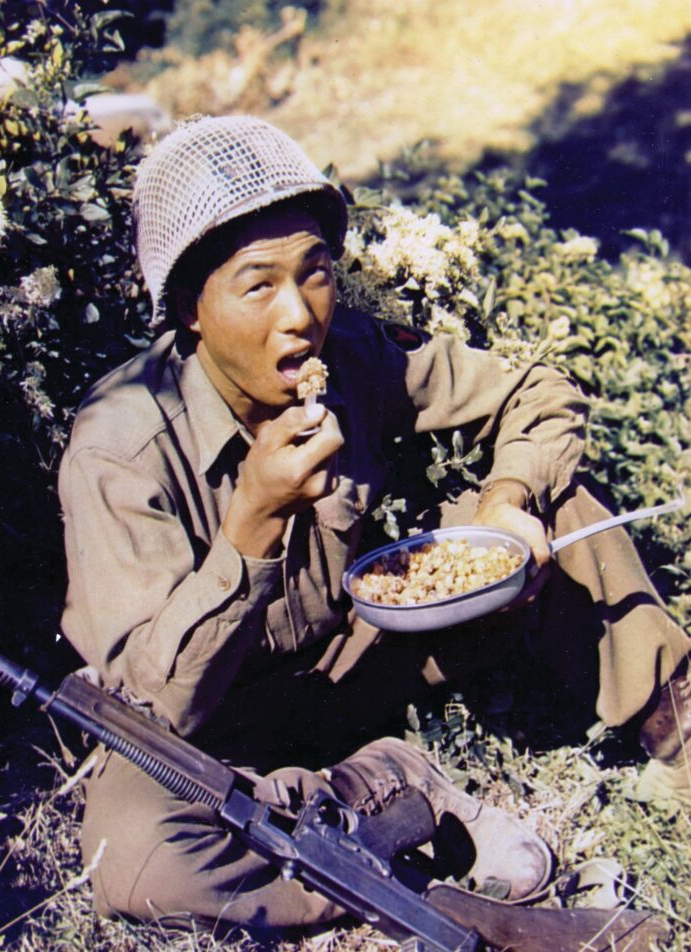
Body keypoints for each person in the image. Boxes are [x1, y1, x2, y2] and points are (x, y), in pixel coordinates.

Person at [58, 115, 690, 930]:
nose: (299, 314)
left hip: (360, 665)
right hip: (215, 731)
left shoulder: (354, 352)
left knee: (559, 507)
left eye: (315, 273)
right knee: (139, 860)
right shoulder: (119, 445)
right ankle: (370, 803)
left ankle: (675, 727)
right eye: (258, 284)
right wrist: (250, 520)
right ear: (189, 309)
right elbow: (155, 713)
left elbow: (536, 389)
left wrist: (506, 503)